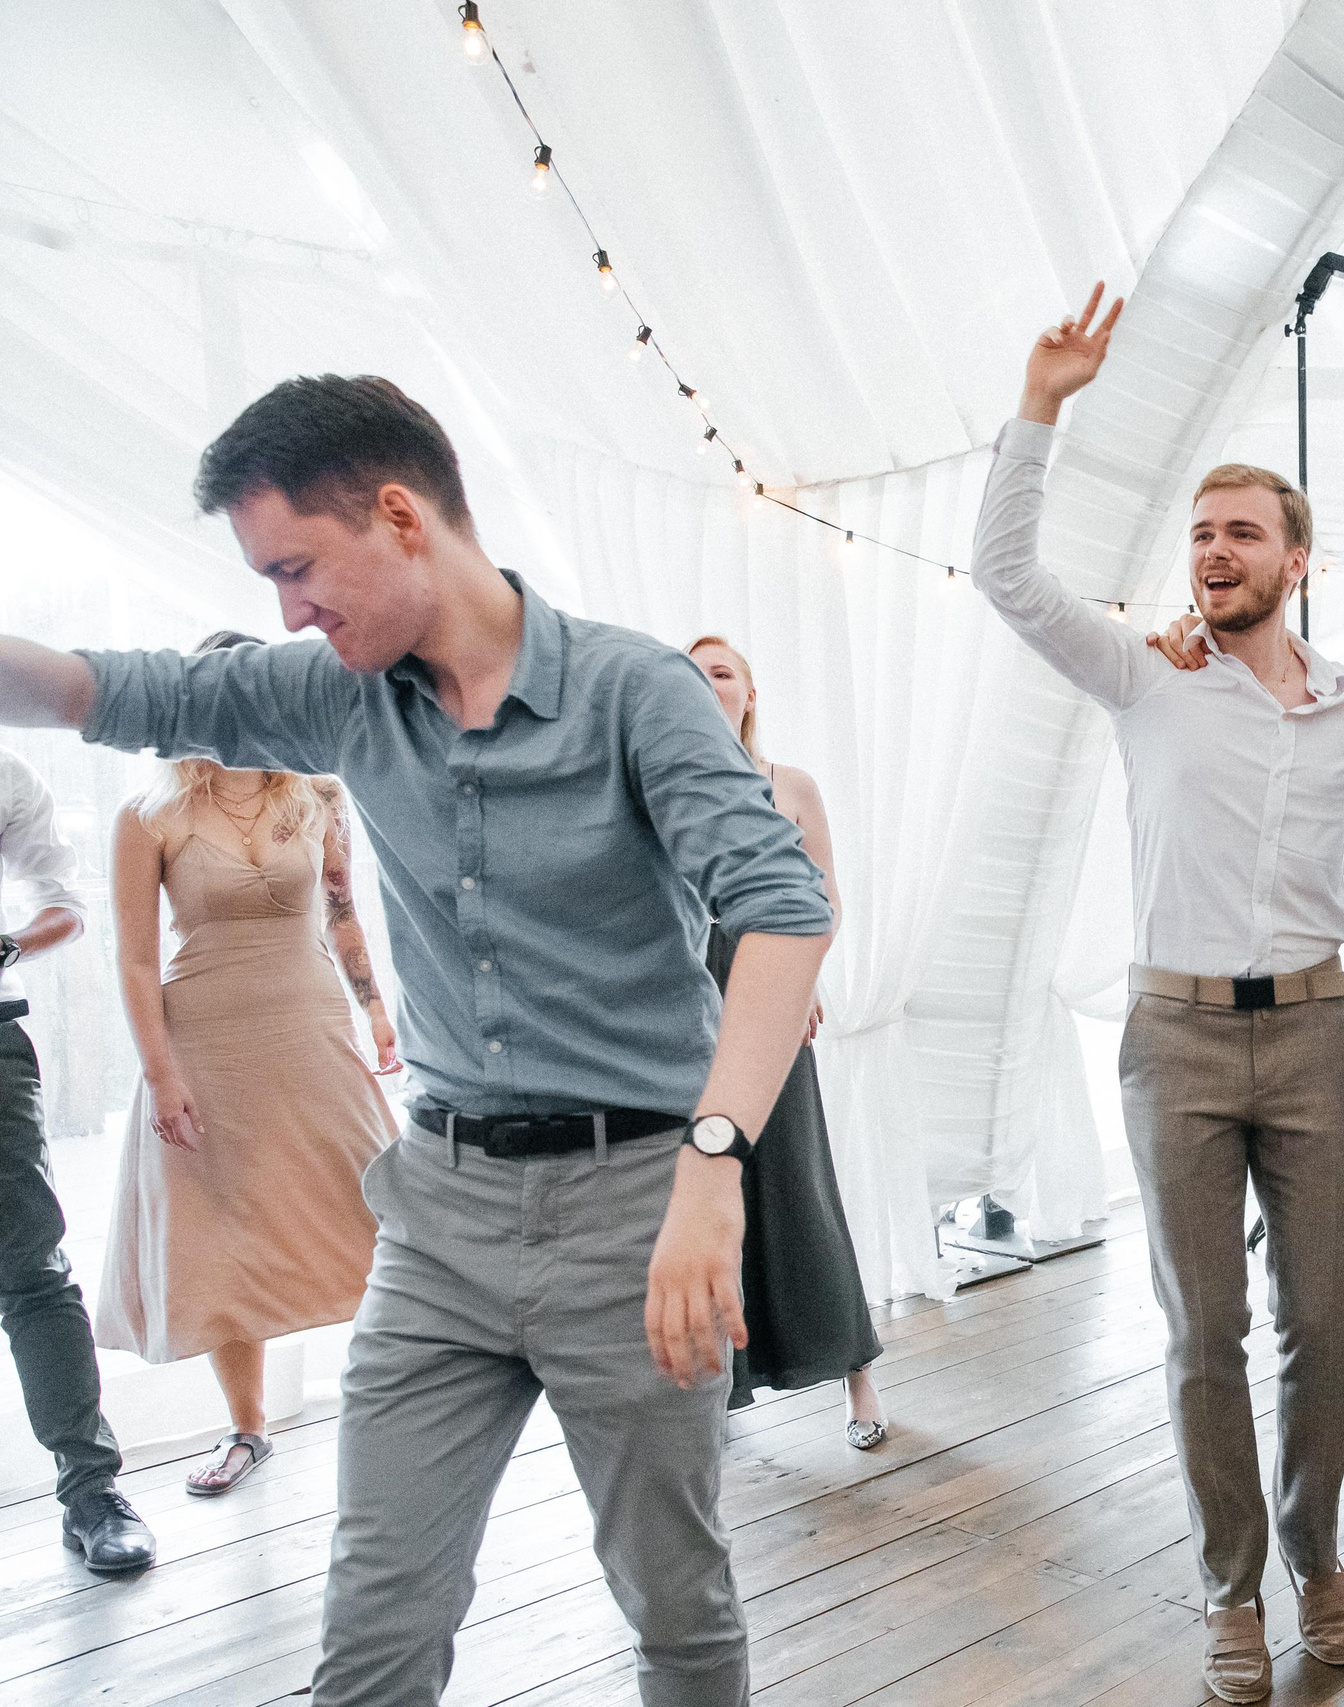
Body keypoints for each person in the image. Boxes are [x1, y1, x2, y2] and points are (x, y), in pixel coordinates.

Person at [0, 373, 833, 1705]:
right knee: (375, 1624)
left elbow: (784, 908)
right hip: (441, 1211)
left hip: (637, 1206)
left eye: (296, 569)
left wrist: (714, 1164)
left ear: (399, 516)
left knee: (675, 1601)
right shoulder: (339, 695)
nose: (288, 611)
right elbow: (104, 688)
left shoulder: (637, 690)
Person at [968, 286, 1344, 1702]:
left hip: (1319, 1035)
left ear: (1298, 559)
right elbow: (1006, 575)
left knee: (1323, 1325)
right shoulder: (1141, 671)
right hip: (1173, 1039)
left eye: (1241, 533)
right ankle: (1232, 1588)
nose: (1214, 551)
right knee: (1202, 1332)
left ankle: (1317, 1555)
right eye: (1201, 534)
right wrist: (1040, 406)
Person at [96, 632, 403, 1498]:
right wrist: (161, 1074)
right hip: (204, 1039)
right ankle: (248, 1427)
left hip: (309, 1020)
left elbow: (343, 913)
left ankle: (402, 1406)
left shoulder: (317, 794)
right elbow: (134, 960)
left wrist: (376, 1010)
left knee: (375, 1204)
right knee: (225, 1230)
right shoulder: (148, 814)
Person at [686, 636, 887, 1449]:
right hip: (689, 995)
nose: (707, 684)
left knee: (799, 1180)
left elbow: (824, 901)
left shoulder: (790, 784)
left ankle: (857, 1374)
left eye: (722, 671)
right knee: (708, 1188)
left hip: (772, 985)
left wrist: (800, 984)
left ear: (750, 691)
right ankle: (715, 1392)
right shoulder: (664, 782)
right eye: (693, 674)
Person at [0, 744, 156, 1573]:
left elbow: (63, 905)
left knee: (32, 1267)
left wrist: (6, 944)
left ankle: (92, 1489)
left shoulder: (8, 775)